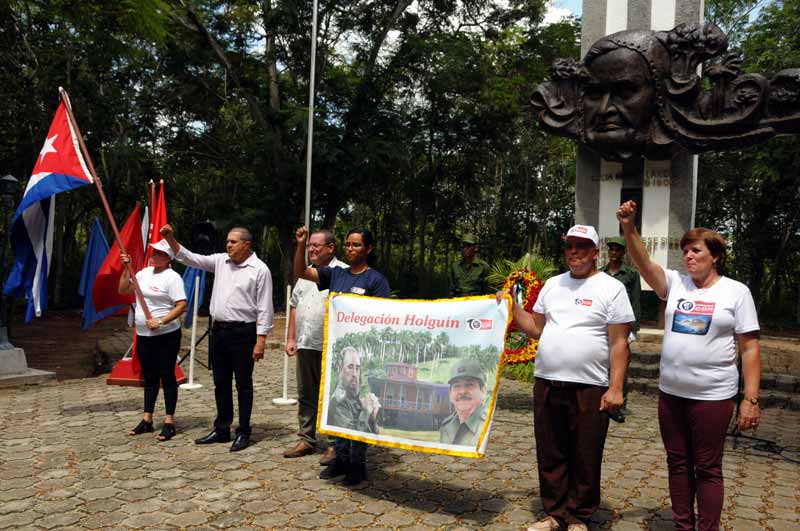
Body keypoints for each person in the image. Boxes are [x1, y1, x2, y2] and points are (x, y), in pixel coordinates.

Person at [616, 200, 761, 531]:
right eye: (685, 252)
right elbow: (642, 262)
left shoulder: (735, 293)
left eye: (696, 251)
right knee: (678, 463)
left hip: (713, 397)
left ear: (715, 256)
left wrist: (750, 400)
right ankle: (683, 525)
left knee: (707, 467)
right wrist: (629, 228)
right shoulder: (675, 284)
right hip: (671, 394)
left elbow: (750, 348)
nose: (689, 257)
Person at [501, 224, 634, 531]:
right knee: (551, 450)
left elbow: (619, 344)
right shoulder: (552, 285)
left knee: (585, 453)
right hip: (548, 381)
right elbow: (535, 328)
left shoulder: (611, 288)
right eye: (569, 246)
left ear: (595, 252)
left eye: (582, 246)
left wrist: (615, 388)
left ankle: (579, 517)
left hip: (591, 386)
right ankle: (555, 513)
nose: (574, 252)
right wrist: (511, 304)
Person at [160, 224, 273, 452]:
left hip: (243, 333)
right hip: (219, 332)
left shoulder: (260, 270)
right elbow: (189, 258)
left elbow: (264, 308)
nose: (228, 245)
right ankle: (222, 429)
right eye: (228, 241)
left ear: (246, 244)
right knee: (220, 383)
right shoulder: (221, 261)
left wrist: (261, 340)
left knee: (243, 384)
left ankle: (243, 431)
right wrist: (171, 238)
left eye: (233, 242)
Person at [294, 225, 390, 485]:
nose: (350, 249)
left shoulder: (376, 281)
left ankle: (357, 466)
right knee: (337, 408)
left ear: (369, 249)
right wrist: (302, 244)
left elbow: (384, 320)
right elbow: (301, 271)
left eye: (356, 245)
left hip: (361, 361)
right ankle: (340, 459)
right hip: (337, 358)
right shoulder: (336, 274)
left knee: (358, 412)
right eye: (348, 244)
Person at [283, 229, 347, 460]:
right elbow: (294, 305)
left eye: (316, 246)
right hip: (306, 342)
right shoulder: (304, 274)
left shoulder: (341, 273)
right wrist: (291, 338)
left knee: (332, 395)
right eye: (309, 246)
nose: (311, 249)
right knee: (306, 392)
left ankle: (334, 443)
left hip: (330, 346)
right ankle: (307, 438)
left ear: (331, 248)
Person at [120, 239, 187, 441]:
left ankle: (169, 422)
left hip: (166, 335)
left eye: (159, 253)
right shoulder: (142, 273)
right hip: (143, 335)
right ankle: (147, 420)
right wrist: (126, 269)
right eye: (154, 251)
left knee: (167, 375)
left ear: (168, 258)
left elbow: (181, 305)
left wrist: (161, 321)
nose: (154, 254)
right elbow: (123, 290)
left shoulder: (172, 278)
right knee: (149, 377)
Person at [601, 236, 642, 419]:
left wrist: (634, 328)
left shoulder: (631, 274)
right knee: (603, 363)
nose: (614, 252)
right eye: (611, 249)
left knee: (620, 364)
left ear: (623, 252)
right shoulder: (600, 273)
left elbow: (635, 301)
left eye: (618, 249)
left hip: (622, 325)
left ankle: (619, 404)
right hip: (604, 324)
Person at [439, 359, 488, 447]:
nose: (462, 391)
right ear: (450, 394)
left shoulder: (488, 427)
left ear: (483, 391)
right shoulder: (446, 427)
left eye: (469, 385)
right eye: (456, 386)